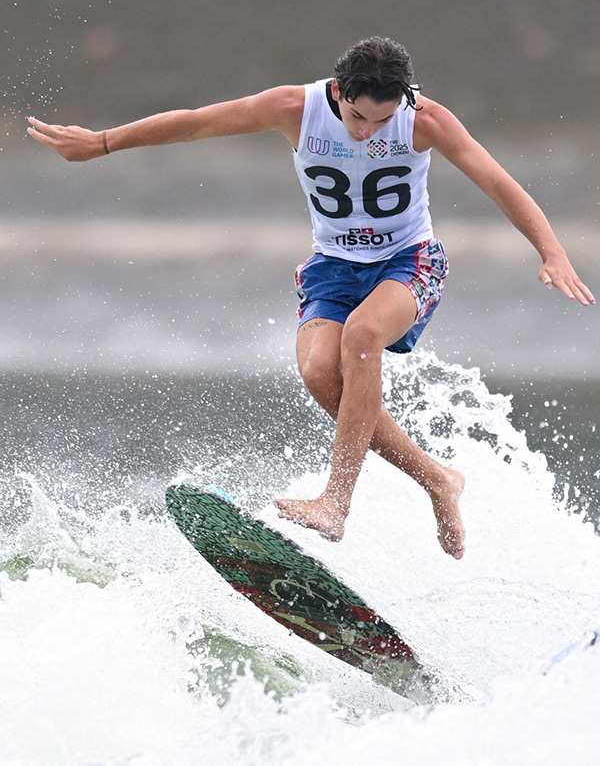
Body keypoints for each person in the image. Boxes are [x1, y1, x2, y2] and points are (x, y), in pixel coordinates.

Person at [27, 36, 595, 560]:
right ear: (338, 91)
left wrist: (552, 252)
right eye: (355, 116)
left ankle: (335, 503)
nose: (367, 131)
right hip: (332, 267)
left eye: (381, 119)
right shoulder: (293, 108)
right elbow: (195, 125)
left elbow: (498, 181)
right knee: (322, 371)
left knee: (363, 335)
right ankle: (437, 480)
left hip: (408, 261)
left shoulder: (428, 121)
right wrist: (101, 142)